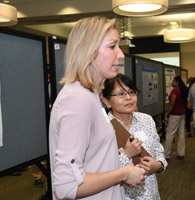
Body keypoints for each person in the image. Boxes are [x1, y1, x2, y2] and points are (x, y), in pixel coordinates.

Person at [49, 17, 145, 200]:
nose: (121, 54)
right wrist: (124, 173)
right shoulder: (78, 100)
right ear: (88, 50)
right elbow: (66, 187)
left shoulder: (90, 96)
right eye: (112, 46)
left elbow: (94, 162)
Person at [102, 73, 168, 200]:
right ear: (107, 101)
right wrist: (127, 154)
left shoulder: (146, 120)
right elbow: (101, 172)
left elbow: (158, 151)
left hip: (150, 194)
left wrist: (158, 165)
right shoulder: (103, 128)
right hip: (121, 195)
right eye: (121, 94)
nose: (128, 97)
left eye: (132, 92)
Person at [164, 75, 188, 160]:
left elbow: (172, 104)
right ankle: (181, 153)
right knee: (181, 133)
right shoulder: (183, 89)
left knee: (170, 134)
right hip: (182, 113)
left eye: (173, 81)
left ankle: (166, 155)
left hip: (175, 114)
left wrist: (167, 113)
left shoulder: (175, 90)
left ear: (177, 82)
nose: (172, 82)